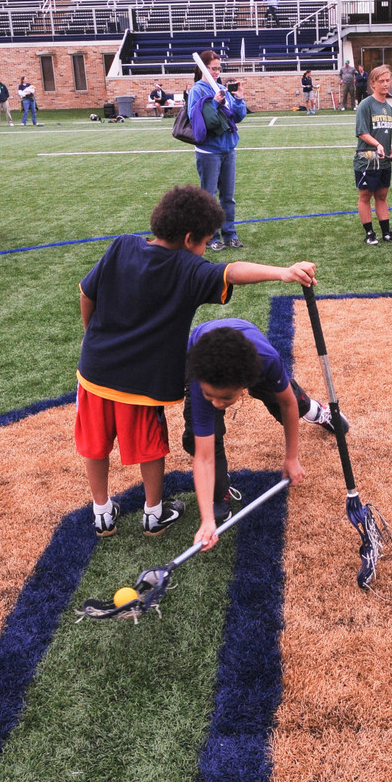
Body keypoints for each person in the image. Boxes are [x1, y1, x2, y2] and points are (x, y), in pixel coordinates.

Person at [75, 183, 317, 540]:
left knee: (94, 443)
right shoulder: (190, 268)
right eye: (205, 242)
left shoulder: (122, 245)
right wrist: (282, 272)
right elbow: (232, 271)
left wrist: (91, 337)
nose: (205, 250)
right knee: (149, 446)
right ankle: (153, 513)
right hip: (142, 384)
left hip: (94, 371)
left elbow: (86, 294)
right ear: (189, 239)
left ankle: (101, 512)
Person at [182, 320, 349, 549]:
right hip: (202, 352)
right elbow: (203, 457)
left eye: (227, 397)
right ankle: (218, 493)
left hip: (254, 358)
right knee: (197, 436)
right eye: (210, 395)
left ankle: (315, 410)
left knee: (288, 400)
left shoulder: (266, 360)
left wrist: (291, 458)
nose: (218, 404)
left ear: (245, 383)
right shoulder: (200, 379)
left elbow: (287, 403)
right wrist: (207, 519)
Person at [187, 49, 246, 251]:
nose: (216, 72)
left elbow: (237, 117)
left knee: (228, 197)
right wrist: (214, 102)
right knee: (209, 197)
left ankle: (230, 234)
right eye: (213, 68)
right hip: (209, 151)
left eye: (219, 68)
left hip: (228, 149)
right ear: (203, 68)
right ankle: (210, 237)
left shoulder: (221, 87)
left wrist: (238, 99)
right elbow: (197, 120)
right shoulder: (197, 90)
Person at [354, 65, 392, 245]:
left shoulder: (388, 107)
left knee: (382, 195)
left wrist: (391, 150)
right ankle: (369, 233)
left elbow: (384, 133)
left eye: (388, 80)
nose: (385, 84)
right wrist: (378, 145)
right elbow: (362, 132)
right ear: (372, 83)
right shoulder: (365, 105)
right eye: (381, 81)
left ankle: (386, 232)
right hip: (367, 160)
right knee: (365, 196)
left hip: (383, 160)